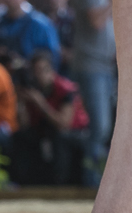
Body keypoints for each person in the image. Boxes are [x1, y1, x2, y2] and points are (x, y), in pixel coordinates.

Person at [65, 0, 117, 180]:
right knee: (100, 127)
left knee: (103, 128)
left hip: (105, 67)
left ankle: (95, 177)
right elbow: (96, 22)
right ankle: (92, 181)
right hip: (91, 67)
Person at [13, 48, 88, 185]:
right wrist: (21, 103)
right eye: (35, 71)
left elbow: (64, 124)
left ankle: (60, 185)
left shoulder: (65, 89)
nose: (39, 75)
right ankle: (27, 183)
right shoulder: (32, 88)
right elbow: (24, 125)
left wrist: (41, 103)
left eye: (42, 70)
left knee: (60, 138)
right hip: (45, 129)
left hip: (73, 132)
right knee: (21, 136)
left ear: (51, 70)